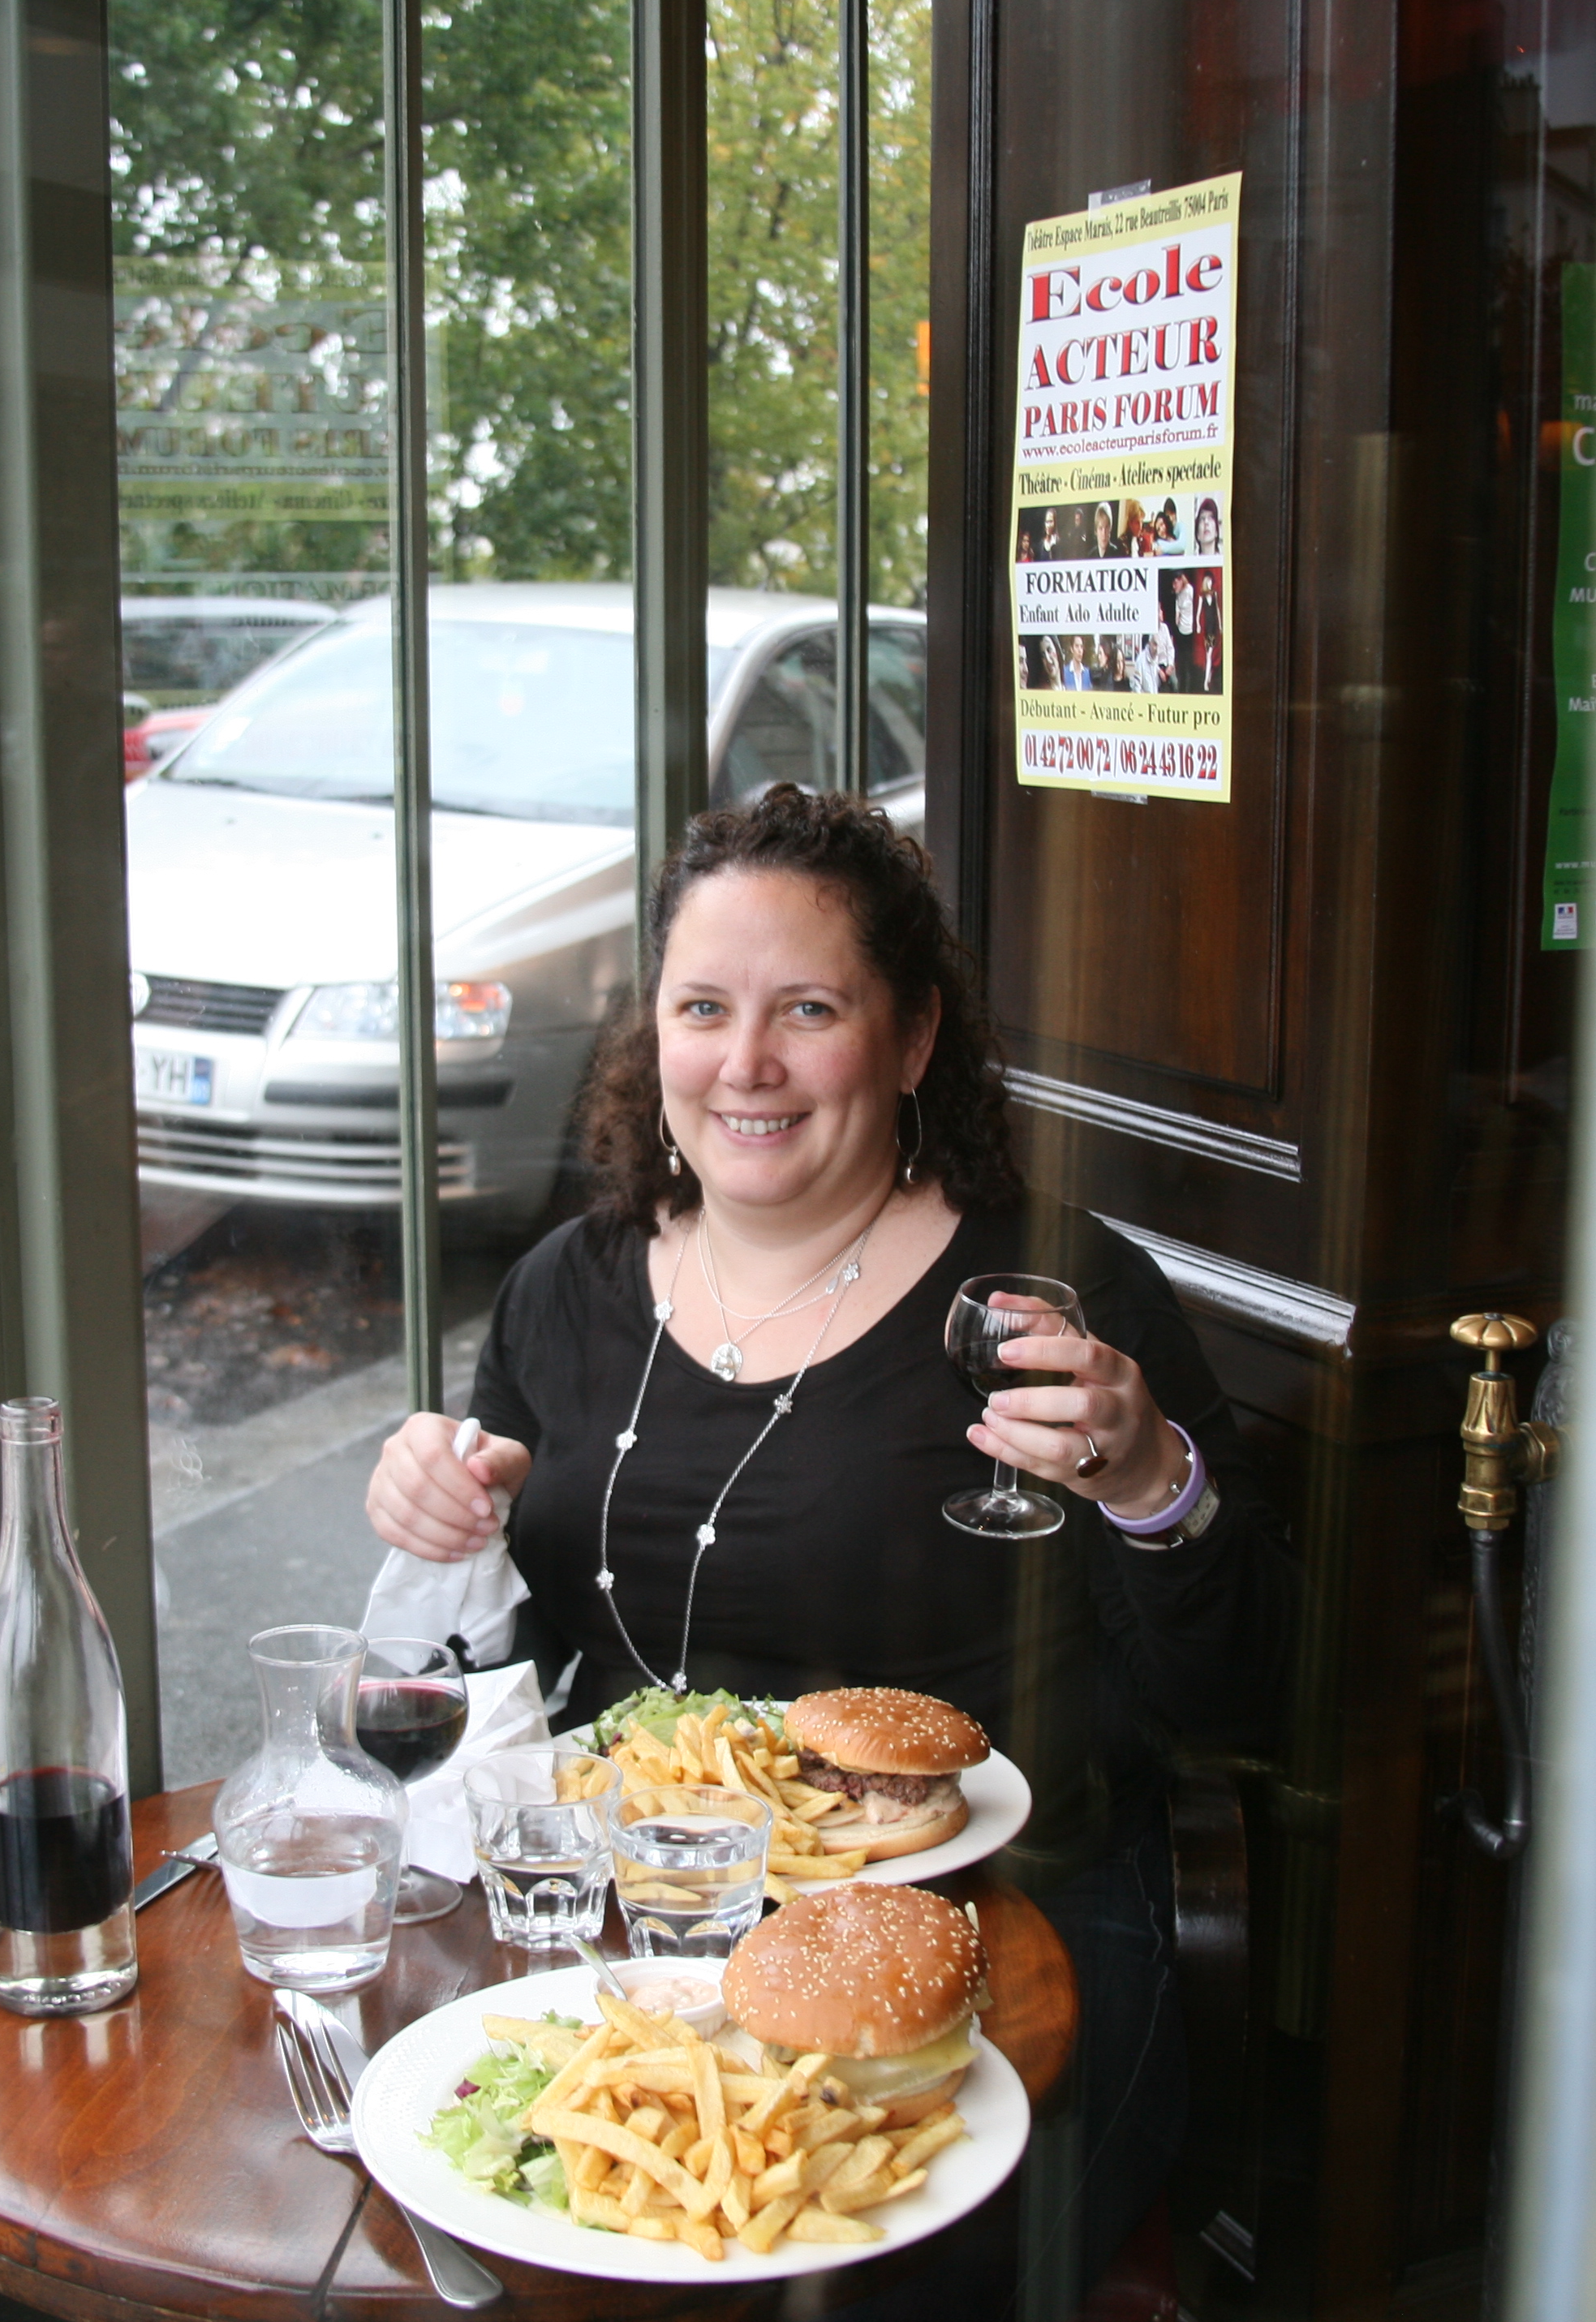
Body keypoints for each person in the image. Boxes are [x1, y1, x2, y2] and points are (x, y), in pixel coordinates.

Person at [366, 786, 1293, 2302]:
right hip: (634, 1940)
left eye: (808, 1008)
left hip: (994, 1945)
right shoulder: (565, 1287)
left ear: (913, 1038)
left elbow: (1248, 1691)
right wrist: (447, 1516)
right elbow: (506, 1680)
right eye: (702, 1008)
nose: (746, 1063)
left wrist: (1150, 1482)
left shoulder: (1052, 1301)